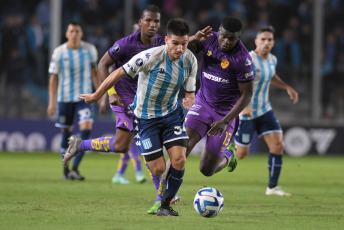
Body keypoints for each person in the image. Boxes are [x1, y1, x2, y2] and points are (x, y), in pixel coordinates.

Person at [63, 18, 198, 216]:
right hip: (144, 117)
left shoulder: (190, 60)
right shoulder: (149, 56)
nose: (180, 49)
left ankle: (164, 204)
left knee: (179, 160)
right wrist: (99, 94)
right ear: (167, 40)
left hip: (171, 115)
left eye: (184, 44)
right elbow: (117, 72)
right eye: (175, 43)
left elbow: (189, 89)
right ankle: (81, 146)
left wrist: (189, 97)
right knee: (157, 167)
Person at [97, 5, 168, 212]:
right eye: (148, 20)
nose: (152, 24)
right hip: (122, 99)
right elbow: (102, 64)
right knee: (145, 141)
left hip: (144, 100)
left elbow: (177, 47)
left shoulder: (161, 42)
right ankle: (161, 196)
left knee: (121, 146)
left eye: (156, 21)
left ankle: (80, 145)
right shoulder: (126, 44)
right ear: (140, 22)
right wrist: (110, 94)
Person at [234, 26, 299, 196]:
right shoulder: (248, 59)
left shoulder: (272, 60)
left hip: (265, 110)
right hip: (247, 113)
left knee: (278, 145)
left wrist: (287, 87)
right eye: (263, 39)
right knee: (241, 155)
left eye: (269, 40)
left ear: (273, 43)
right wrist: (242, 106)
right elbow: (235, 84)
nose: (266, 42)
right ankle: (229, 143)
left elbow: (271, 77)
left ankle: (272, 187)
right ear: (256, 41)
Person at [47, 21, 100, 180]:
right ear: (67, 34)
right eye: (72, 31)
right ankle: (66, 170)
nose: (75, 34)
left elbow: (95, 73)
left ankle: (75, 168)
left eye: (77, 31)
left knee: (86, 129)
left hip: (84, 98)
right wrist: (51, 102)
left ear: (81, 34)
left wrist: (100, 94)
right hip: (64, 99)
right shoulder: (59, 52)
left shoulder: (90, 50)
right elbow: (53, 78)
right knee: (66, 133)